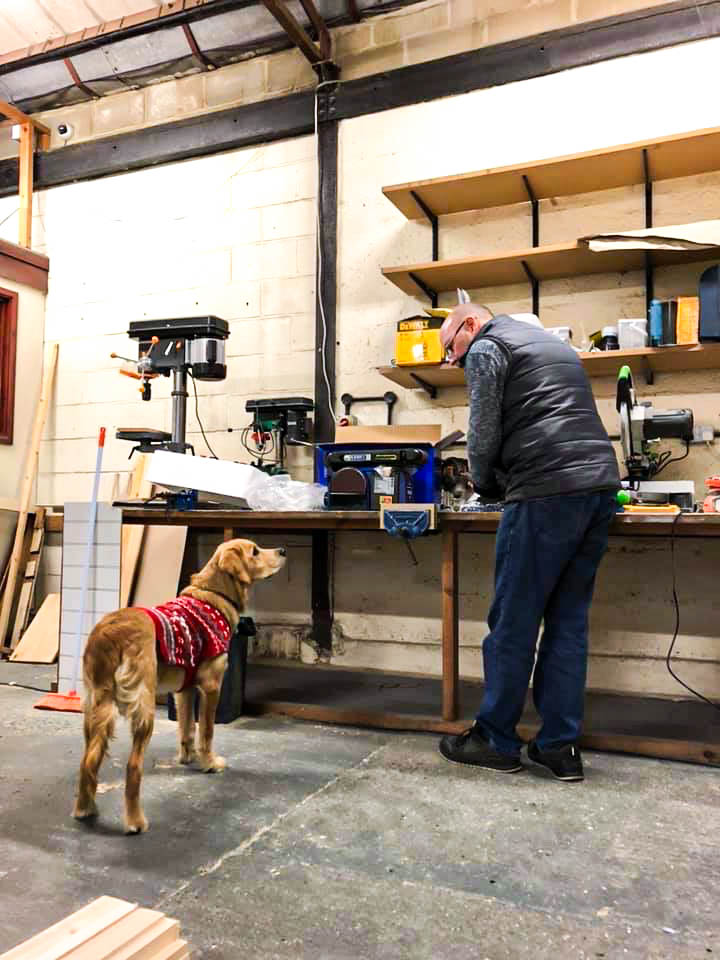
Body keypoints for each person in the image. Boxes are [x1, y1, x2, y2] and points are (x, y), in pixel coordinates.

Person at [438, 304, 620, 781]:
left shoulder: (489, 346)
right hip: (600, 488)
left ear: (471, 326)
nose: (453, 361)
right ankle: (559, 748)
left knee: (513, 621)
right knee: (568, 622)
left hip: (546, 490)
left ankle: (496, 740)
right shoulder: (553, 345)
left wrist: (485, 486)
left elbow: (482, 434)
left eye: (451, 348)